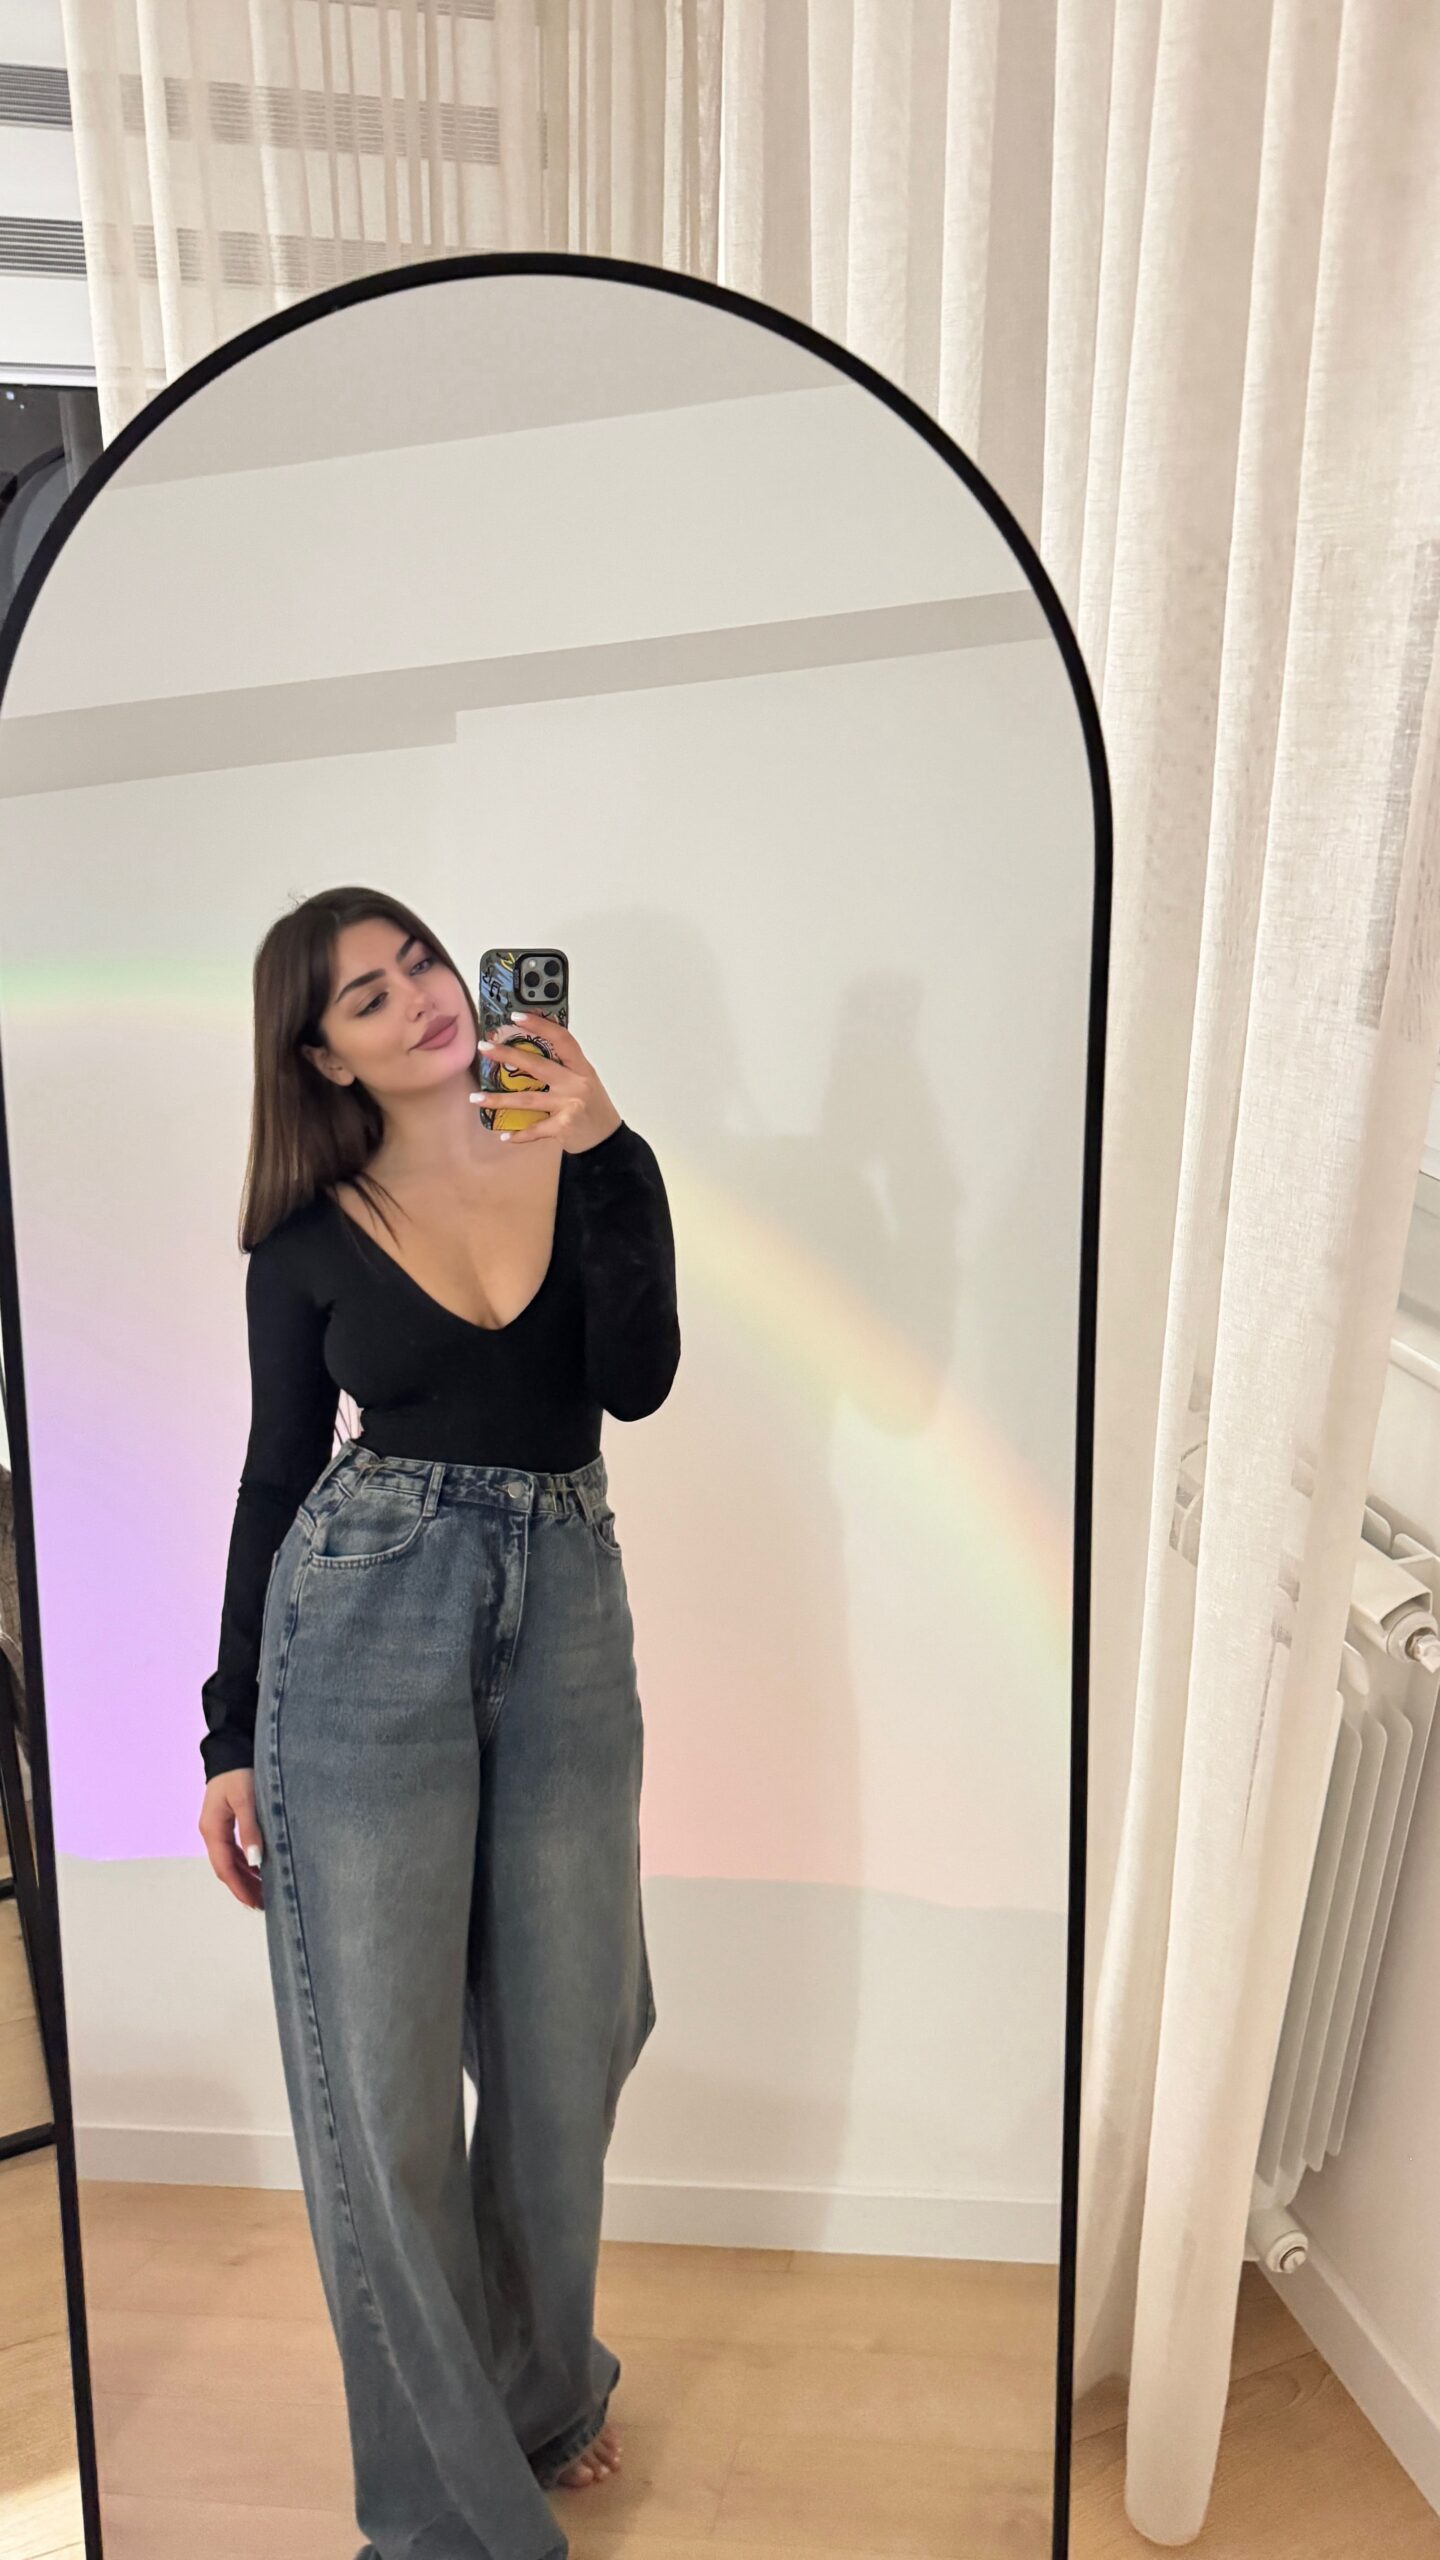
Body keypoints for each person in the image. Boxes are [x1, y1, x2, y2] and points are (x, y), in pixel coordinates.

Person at [196, 887, 680, 2560]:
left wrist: (606, 1147)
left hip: (571, 1612)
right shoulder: (304, 1241)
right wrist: (228, 1736)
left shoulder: (592, 1156)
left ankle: (537, 2399)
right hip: (363, 1627)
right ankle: (444, 2524)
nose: (415, 997)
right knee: (381, 2090)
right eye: (364, 996)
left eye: (419, 961)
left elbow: (636, 1382)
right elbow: (275, 1476)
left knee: (571, 2039)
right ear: (321, 1057)